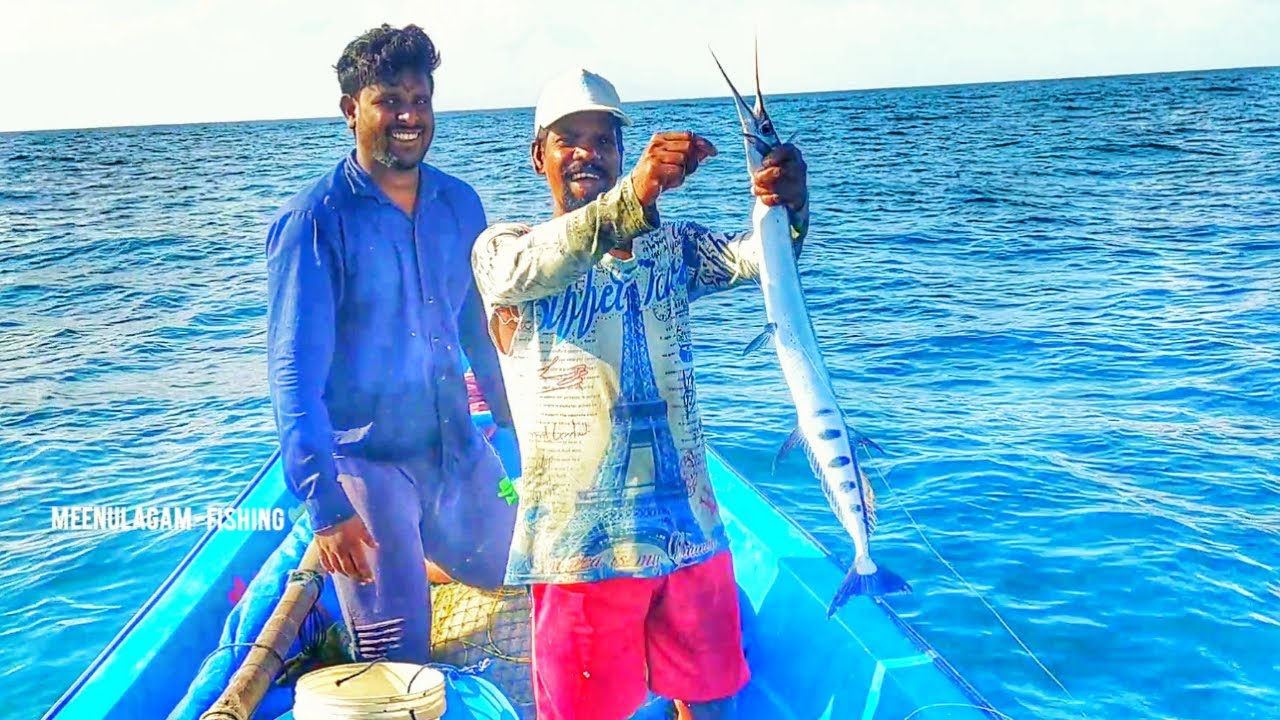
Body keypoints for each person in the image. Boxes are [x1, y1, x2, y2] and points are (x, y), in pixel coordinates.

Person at [470, 68, 809, 720]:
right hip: (580, 551)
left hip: (692, 533)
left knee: (709, 704)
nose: (587, 152)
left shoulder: (670, 246)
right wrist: (636, 194)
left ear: (622, 153)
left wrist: (787, 206)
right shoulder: (502, 249)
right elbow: (534, 266)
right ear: (538, 154)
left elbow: (765, 263)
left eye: (603, 139)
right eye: (569, 139)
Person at [264, 23, 518, 665]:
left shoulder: (461, 204)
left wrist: (520, 430)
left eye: (420, 98)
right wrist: (325, 509)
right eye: (389, 100)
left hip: (456, 445)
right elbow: (292, 377)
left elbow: (481, 334)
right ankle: (392, 560)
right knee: (395, 658)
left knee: (527, 569)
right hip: (365, 464)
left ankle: (420, 557)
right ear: (352, 111)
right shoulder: (313, 223)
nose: (409, 115)